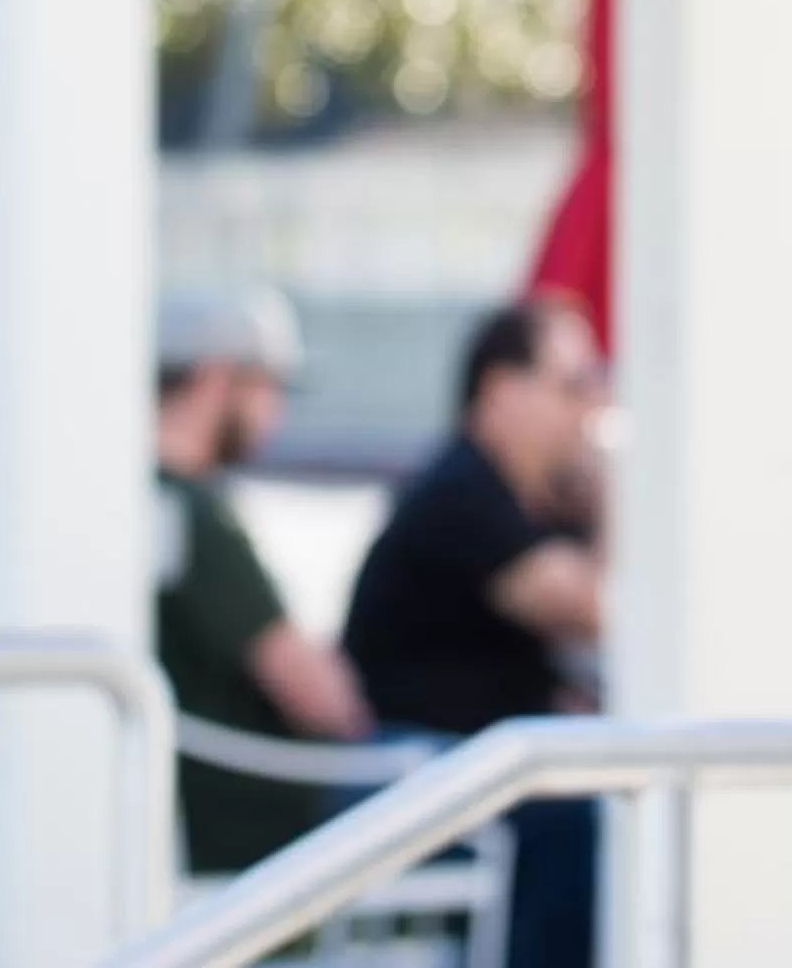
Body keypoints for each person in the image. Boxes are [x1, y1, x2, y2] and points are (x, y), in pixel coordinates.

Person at [344, 301, 608, 968]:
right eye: (575, 383)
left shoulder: (521, 498)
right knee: (583, 816)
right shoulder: (462, 488)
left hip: (458, 767)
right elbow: (590, 609)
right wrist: (616, 495)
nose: (592, 405)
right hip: (407, 772)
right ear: (500, 389)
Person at [152, 286, 373, 876]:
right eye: (270, 388)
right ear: (220, 380)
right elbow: (322, 699)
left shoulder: (154, 501)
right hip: (273, 809)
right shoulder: (194, 516)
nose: (276, 414)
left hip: (222, 804)